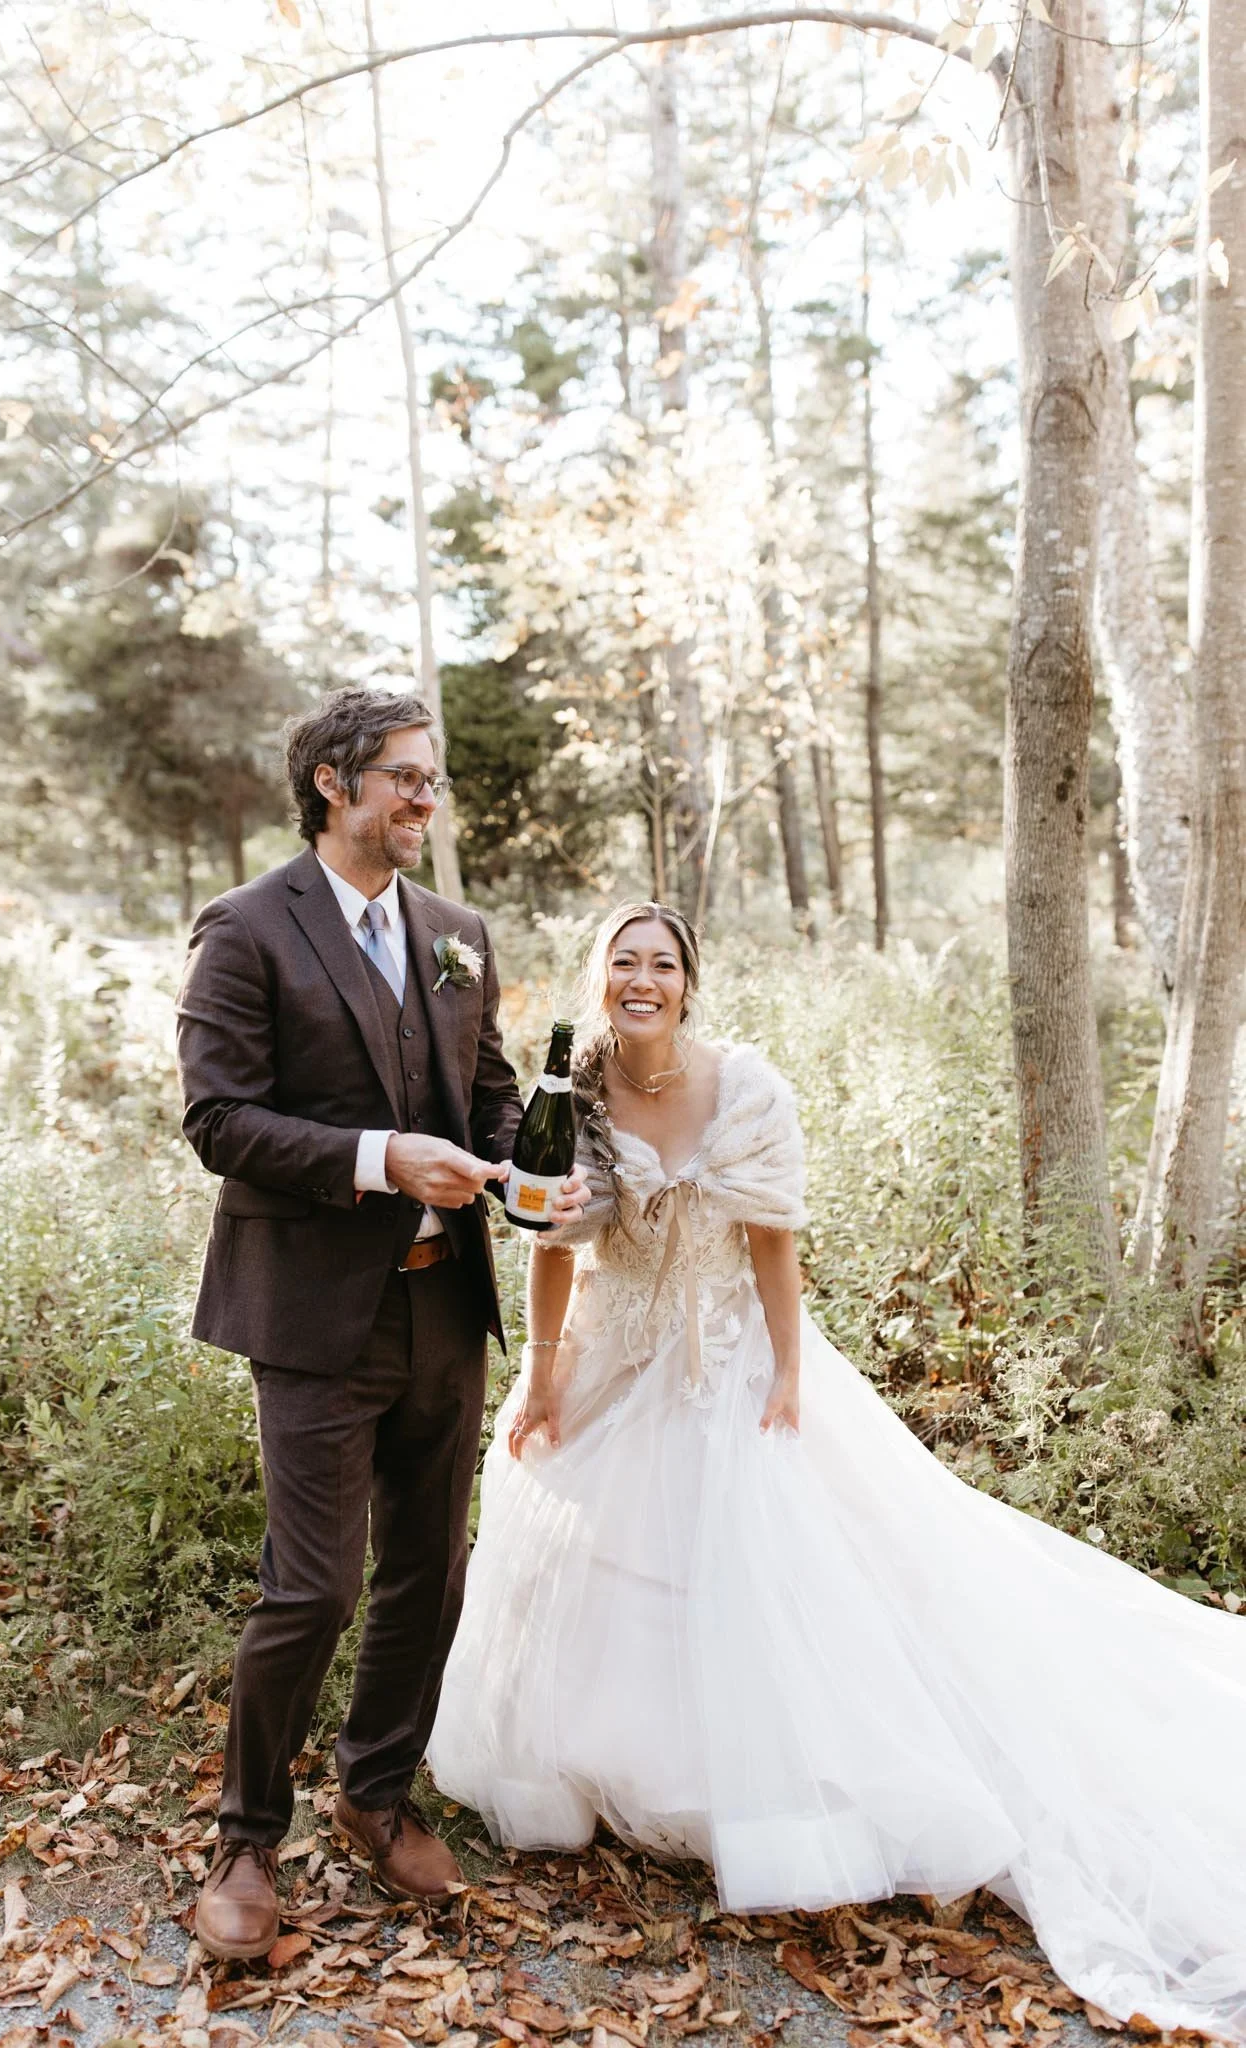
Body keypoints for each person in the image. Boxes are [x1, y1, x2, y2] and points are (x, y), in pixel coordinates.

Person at [428, 901, 1246, 2043]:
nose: (642, 979)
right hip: (620, 1358)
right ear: (597, 977)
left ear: (689, 981)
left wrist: (786, 1373)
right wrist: (550, 1376)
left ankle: (763, 1791)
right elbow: (556, 1249)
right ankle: (628, 1768)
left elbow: (774, 1241)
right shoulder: (572, 1094)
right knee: (596, 1535)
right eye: (624, 962)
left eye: (662, 963)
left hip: (728, 1356)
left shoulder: (749, 1088)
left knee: (759, 1554)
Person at [175, 686, 588, 1961]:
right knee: (311, 1585)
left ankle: (375, 1791)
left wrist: (528, 1181)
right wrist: (373, 1156)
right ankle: (248, 1838)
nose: (425, 799)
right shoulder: (245, 929)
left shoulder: (459, 932)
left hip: (442, 1309)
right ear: (332, 786)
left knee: (433, 1569)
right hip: (310, 1315)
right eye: (404, 778)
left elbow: (487, 1098)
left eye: (431, 779)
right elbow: (218, 1120)